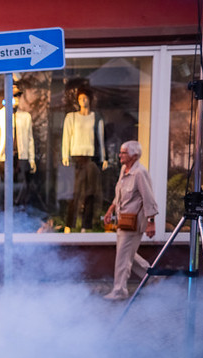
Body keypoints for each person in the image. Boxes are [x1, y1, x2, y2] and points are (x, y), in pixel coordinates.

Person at [102, 140, 159, 300]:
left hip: (134, 223)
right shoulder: (124, 169)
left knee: (123, 256)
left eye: (123, 152)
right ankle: (152, 277)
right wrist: (110, 210)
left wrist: (151, 222)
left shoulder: (140, 173)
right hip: (123, 220)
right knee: (127, 254)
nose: (120, 155)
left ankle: (120, 291)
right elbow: (119, 194)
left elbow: (149, 198)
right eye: (120, 152)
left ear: (134, 155)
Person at [62, 86, 108, 232]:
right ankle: (69, 224)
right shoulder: (71, 117)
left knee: (90, 192)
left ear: (89, 100)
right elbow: (66, 137)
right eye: (80, 98)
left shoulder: (96, 117)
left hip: (91, 157)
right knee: (75, 192)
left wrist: (104, 158)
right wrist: (65, 155)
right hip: (76, 157)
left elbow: (101, 139)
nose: (82, 101)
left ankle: (85, 226)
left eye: (85, 98)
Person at [0, 82, 36, 209]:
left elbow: (29, 139)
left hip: (21, 157)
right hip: (4, 158)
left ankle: (19, 212)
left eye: (17, 96)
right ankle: (4, 214)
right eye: (13, 96)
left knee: (21, 187)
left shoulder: (26, 117)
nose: (15, 99)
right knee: (5, 188)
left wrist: (31, 159)